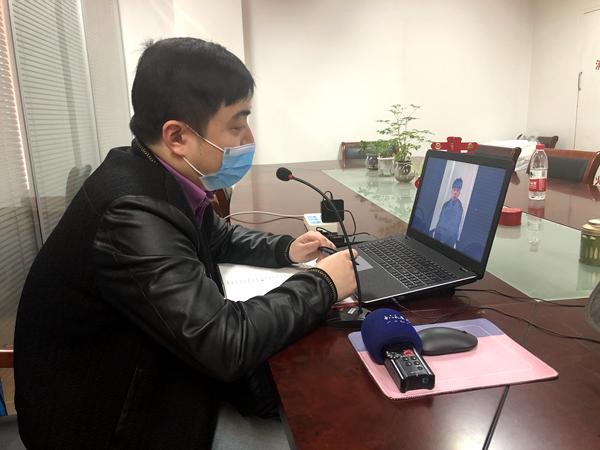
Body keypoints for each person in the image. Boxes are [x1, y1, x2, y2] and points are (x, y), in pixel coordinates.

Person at [14, 37, 357, 449]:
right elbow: (223, 341)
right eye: (236, 125)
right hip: (106, 423)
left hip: (149, 374)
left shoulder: (151, 170)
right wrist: (324, 283)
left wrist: (285, 249)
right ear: (177, 137)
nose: (248, 138)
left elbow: (218, 235)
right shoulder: (131, 212)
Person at [434, 177, 464, 248]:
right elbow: (440, 222)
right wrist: (437, 236)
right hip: (438, 236)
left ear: (459, 192)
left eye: (457, 190)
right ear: (451, 190)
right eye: (454, 190)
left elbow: (455, 229)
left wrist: (449, 241)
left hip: (449, 241)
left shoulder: (460, 209)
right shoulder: (445, 205)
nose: (455, 193)